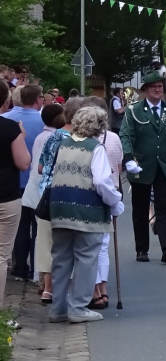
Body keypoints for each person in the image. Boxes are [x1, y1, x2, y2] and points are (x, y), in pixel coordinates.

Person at [47, 106, 123, 323]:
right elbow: (101, 181)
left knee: (61, 259)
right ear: (99, 127)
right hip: (87, 211)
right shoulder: (95, 148)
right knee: (86, 258)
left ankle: (58, 308)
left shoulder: (63, 144)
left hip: (60, 208)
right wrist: (115, 201)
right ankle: (78, 307)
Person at [119, 68, 166, 263]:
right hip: (141, 166)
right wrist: (128, 159)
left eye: (160, 86)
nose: (158, 90)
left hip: (165, 166)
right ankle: (141, 249)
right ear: (145, 90)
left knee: (163, 207)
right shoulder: (133, 110)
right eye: (153, 87)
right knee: (140, 209)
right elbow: (126, 135)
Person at [22, 102, 65, 303]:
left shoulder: (43, 136)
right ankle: (45, 281)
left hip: (40, 190)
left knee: (40, 236)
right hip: (48, 192)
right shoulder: (56, 138)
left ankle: (42, 281)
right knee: (47, 238)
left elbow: (36, 165)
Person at [7, 82, 46, 281]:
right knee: (38, 227)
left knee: (20, 227)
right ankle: (36, 270)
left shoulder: (6, 119)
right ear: (38, 99)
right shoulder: (43, 122)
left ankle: (20, 267)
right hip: (38, 181)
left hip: (13, 181)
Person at [0, 81, 32, 304]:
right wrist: (22, 135)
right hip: (6, 196)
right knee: (1, 255)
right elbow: (23, 163)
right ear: (5, 101)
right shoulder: (11, 128)